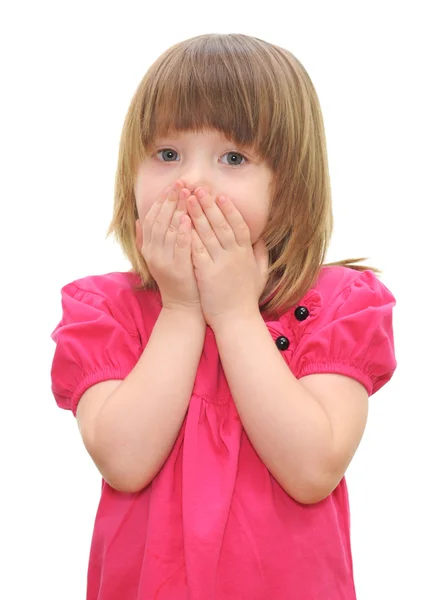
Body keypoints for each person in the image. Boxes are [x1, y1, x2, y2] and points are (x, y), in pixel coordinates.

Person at [50, 33, 397, 600]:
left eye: (233, 158)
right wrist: (184, 308)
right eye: (167, 155)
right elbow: (124, 461)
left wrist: (235, 314)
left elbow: (313, 470)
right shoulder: (104, 311)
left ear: (289, 188)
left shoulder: (337, 305)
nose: (192, 182)